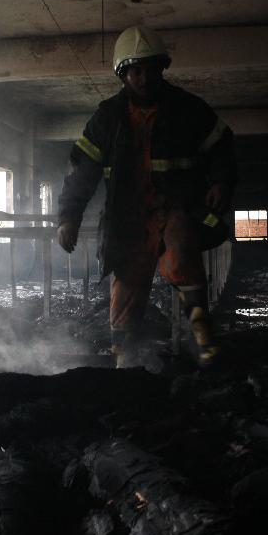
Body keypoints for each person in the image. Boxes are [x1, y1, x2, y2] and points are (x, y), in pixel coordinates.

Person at [57, 26, 237, 368]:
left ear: (162, 69)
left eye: (150, 69)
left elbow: (221, 148)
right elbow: (82, 172)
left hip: (176, 208)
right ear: (123, 74)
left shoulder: (188, 109)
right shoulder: (107, 118)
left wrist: (221, 183)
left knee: (182, 258)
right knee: (125, 286)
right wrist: (68, 217)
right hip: (128, 217)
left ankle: (203, 343)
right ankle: (124, 362)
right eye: (135, 71)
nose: (143, 78)